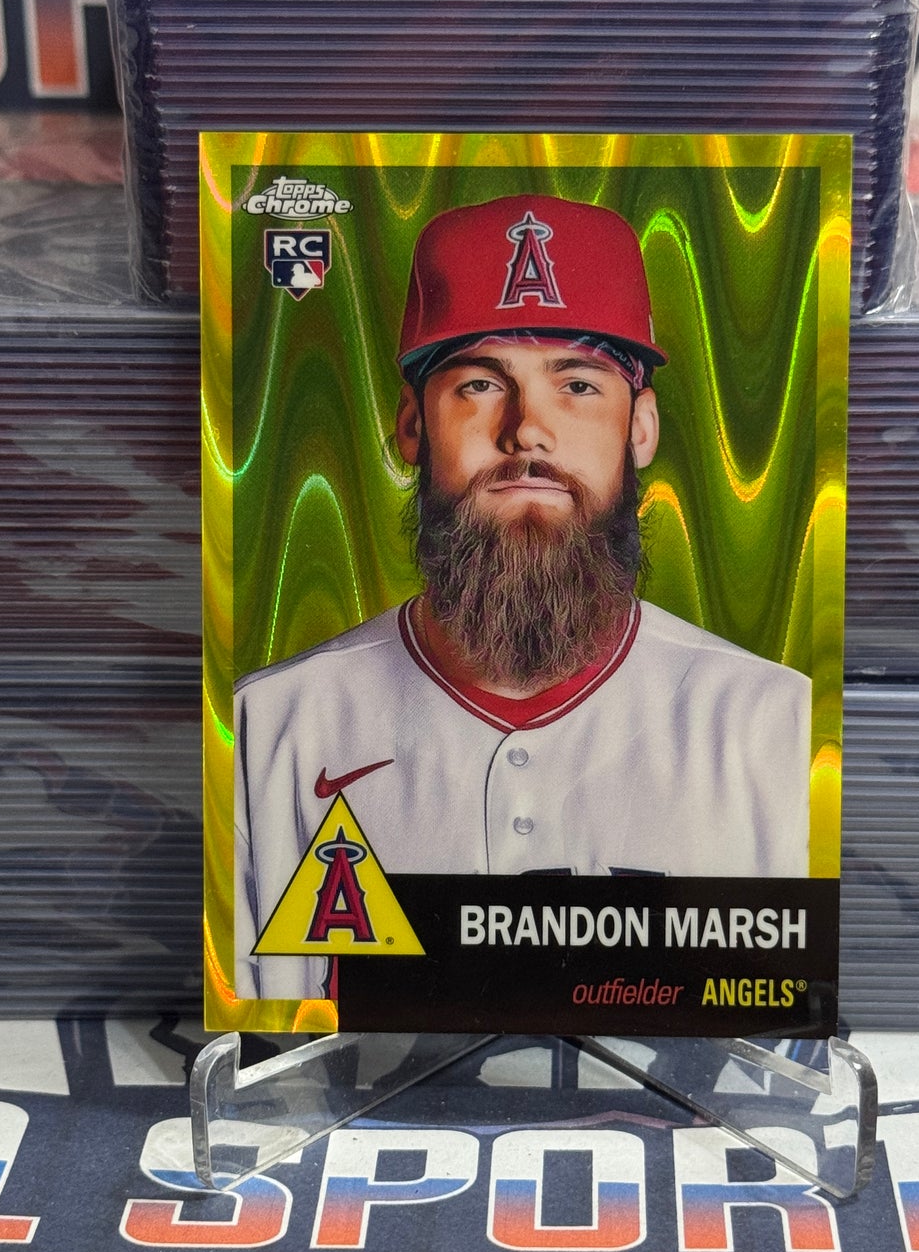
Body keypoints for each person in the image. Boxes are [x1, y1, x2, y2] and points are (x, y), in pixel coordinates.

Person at [234, 193, 810, 1000]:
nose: (527, 430)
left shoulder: (775, 726)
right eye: (478, 383)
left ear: (640, 427)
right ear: (412, 426)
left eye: (578, 384)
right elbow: (263, 1048)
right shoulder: (268, 727)